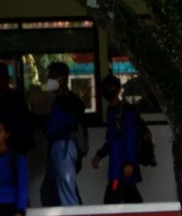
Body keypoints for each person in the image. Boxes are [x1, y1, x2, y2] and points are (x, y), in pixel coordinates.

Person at [91, 74, 144, 204]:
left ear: (119, 89)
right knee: (132, 200)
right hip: (119, 166)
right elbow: (111, 139)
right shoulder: (112, 111)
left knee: (112, 201)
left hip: (120, 167)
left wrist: (129, 162)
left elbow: (130, 137)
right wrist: (100, 154)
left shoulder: (125, 111)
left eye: (111, 87)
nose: (108, 91)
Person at [41, 61, 85, 207]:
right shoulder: (71, 99)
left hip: (63, 146)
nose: (50, 80)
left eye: (52, 77)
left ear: (63, 78)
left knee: (66, 192)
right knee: (50, 190)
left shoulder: (63, 101)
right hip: (64, 146)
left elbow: (53, 128)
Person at [0, 62, 35, 156]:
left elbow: (23, 123)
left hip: (16, 148)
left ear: (6, 78)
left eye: (1, 76)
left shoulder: (16, 98)